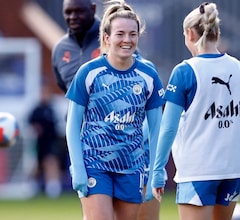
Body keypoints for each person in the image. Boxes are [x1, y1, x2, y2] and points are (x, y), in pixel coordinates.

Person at [151, 2, 240, 220]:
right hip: (233, 170)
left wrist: (157, 170)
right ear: (217, 33)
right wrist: (226, 135)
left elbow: (168, 127)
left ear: (189, 34)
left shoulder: (184, 72)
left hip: (198, 170)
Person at [65, 1, 164, 219]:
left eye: (132, 34)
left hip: (132, 167)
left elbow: (158, 130)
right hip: (94, 165)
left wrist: (156, 170)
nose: (127, 40)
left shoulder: (148, 75)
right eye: (120, 34)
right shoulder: (89, 72)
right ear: (107, 38)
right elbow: (72, 125)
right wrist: (78, 168)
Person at [52, 0, 100, 93]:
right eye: (68, 12)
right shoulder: (60, 49)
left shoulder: (114, 41)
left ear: (93, 9)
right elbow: (64, 87)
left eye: (79, 11)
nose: (73, 17)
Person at [28, 86, 62, 198]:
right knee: (38, 165)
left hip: (51, 142)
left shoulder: (51, 109)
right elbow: (30, 123)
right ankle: (32, 185)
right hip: (39, 142)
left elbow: (56, 125)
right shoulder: (36, 110)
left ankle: (53, 187)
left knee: (51, 162)